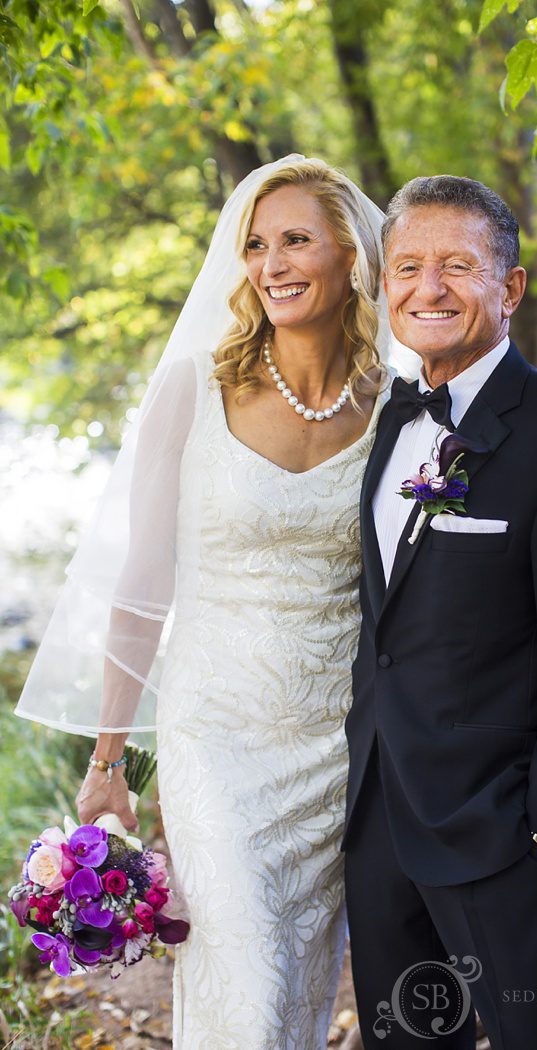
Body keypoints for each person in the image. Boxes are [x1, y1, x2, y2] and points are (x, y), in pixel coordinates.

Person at [15, 155, 393, 1048]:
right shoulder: (193, 390)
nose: (271, 264)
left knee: (296, 985)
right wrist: (110, 762)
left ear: (352, 256)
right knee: (245, 978)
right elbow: (141, 583)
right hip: (214, 735)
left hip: (336, 750)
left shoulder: (397, 405)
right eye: (256, 245)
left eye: (297, 240)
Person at [342, 175, 537, 1050]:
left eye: (456, 265)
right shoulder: (385, 426)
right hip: (381, 819)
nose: (427, 288)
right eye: (406, 266)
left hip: (502, 832)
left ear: (509, 288)